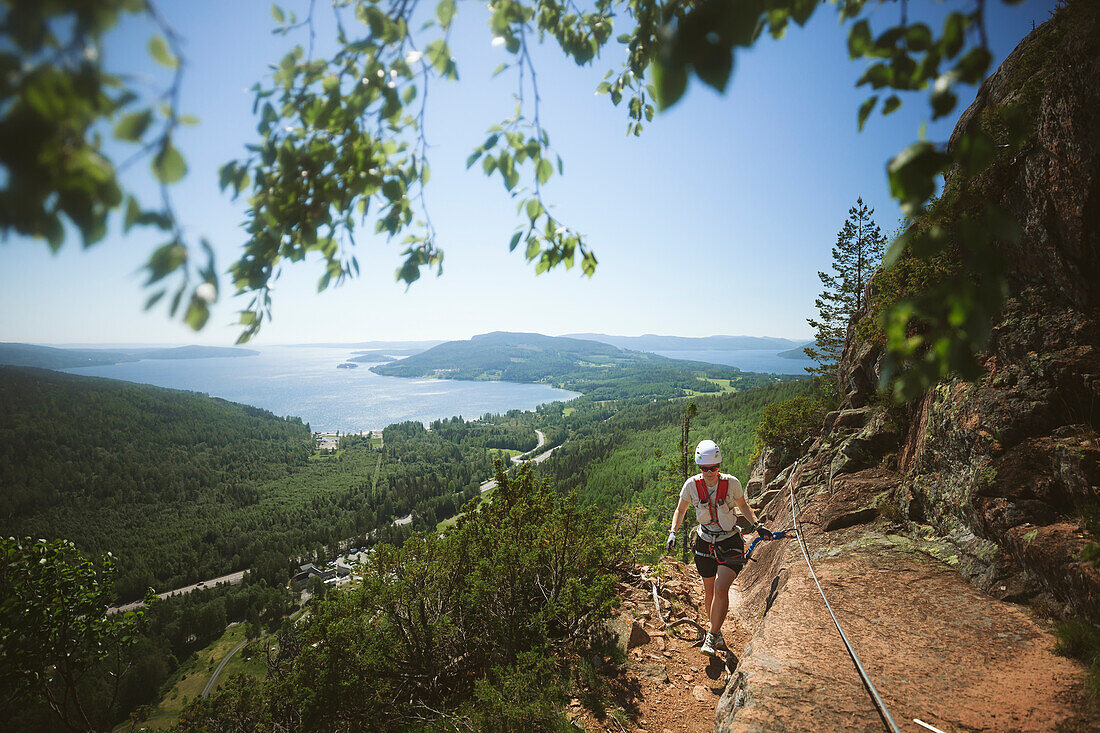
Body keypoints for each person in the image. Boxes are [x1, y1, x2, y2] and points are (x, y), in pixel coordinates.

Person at [666, 439, 772, 657]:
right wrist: (672, 532)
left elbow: (743, 505)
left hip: (730, 541)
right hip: (705, 541)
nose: (709, 473)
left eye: (713, 468)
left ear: (718, 466)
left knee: (721, 587)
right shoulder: (691, 486)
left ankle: (712, 636)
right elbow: (680, 510)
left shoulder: (731, 483)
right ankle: (717, 630)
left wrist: (757, 525)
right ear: (699, 468)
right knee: (710, 591)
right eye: (704, 469)